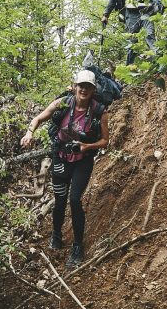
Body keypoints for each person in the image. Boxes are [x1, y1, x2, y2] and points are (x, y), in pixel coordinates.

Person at [20, 70, 110, 267]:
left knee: (75, 200)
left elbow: (105, 140)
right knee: (60, 199)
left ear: (93, 89)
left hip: (82, 160)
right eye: (81, 85)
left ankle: (78, 246)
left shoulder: (99, 111)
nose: (84, 89)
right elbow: (38, 118)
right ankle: (56, 234)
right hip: (60, 157)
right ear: (75, 86)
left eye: (88, 86)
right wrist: (29, 133)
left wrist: (88, 146)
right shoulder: (63, 104)